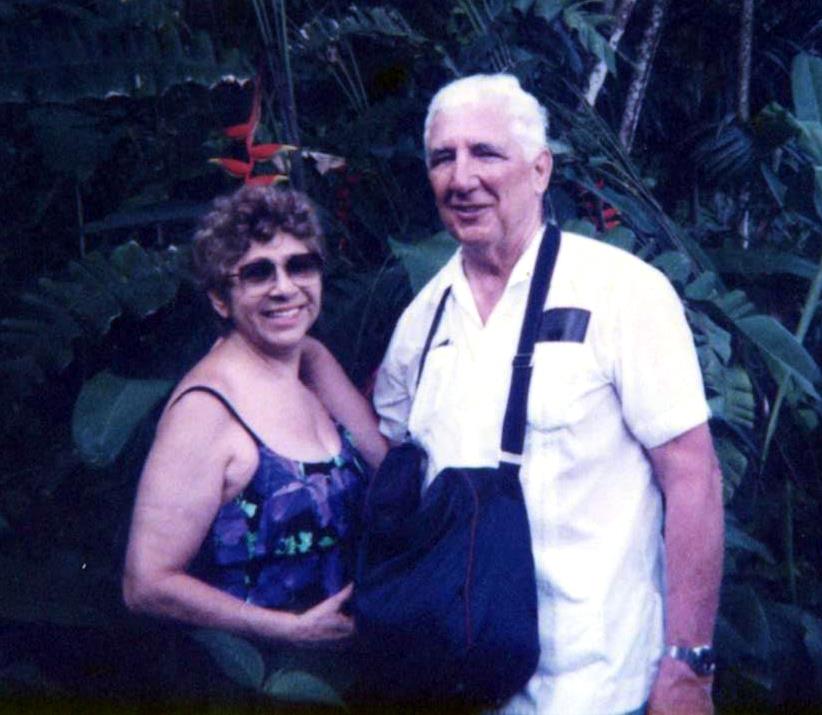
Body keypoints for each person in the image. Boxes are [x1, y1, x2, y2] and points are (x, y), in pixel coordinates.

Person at [371, 75, 724, 714]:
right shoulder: (421, 322)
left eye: (486, 153)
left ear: (540, 170)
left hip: (597, 688)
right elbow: (387, 455)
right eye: (443, 158)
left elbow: (692, 476)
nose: (461, 178)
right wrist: (306, 363)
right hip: (458, 685)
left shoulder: (621, 292)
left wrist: (689, 664)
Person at [122, 186, 386, 652]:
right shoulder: (206, 410)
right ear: (221, 299)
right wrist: (287, 629)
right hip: (259, 670)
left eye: (300, 265)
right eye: (258, 273)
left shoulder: (310, 362)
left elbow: (387, 467)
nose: (284, 287)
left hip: (349, 661)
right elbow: (146, 584)